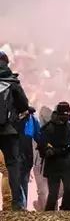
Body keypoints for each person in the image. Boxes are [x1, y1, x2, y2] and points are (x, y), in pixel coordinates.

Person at [0, 51, 31, 211]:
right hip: (8, 130)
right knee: (12, 165)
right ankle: (17, 203)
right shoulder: (11, 81)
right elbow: (24, 104)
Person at [39, 102, 70, 211]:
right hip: (53, 164)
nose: (67, 116)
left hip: (66, 163)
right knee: (53, 194)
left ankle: (65, 211)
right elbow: (43, 146)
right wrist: (48, 150)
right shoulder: (48, 128)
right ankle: (48, 215)